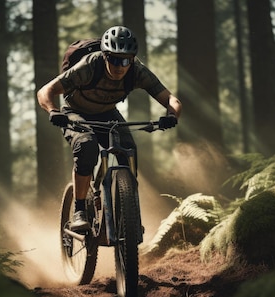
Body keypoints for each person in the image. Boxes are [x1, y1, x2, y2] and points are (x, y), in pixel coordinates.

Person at [37, 25, 182, 231]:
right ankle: (79, 210)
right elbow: (45, 91)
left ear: (132, 59)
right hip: (75, 112)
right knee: (87, 146)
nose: (119, 66)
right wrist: (53, 111)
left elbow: (171, 99)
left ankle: (130, 215)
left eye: (125, 60)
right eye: (114, 59)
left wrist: (171, 115)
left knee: (128, 150)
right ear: (104, 56)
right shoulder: (88, 67)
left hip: (106, 114)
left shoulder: (137, 71)